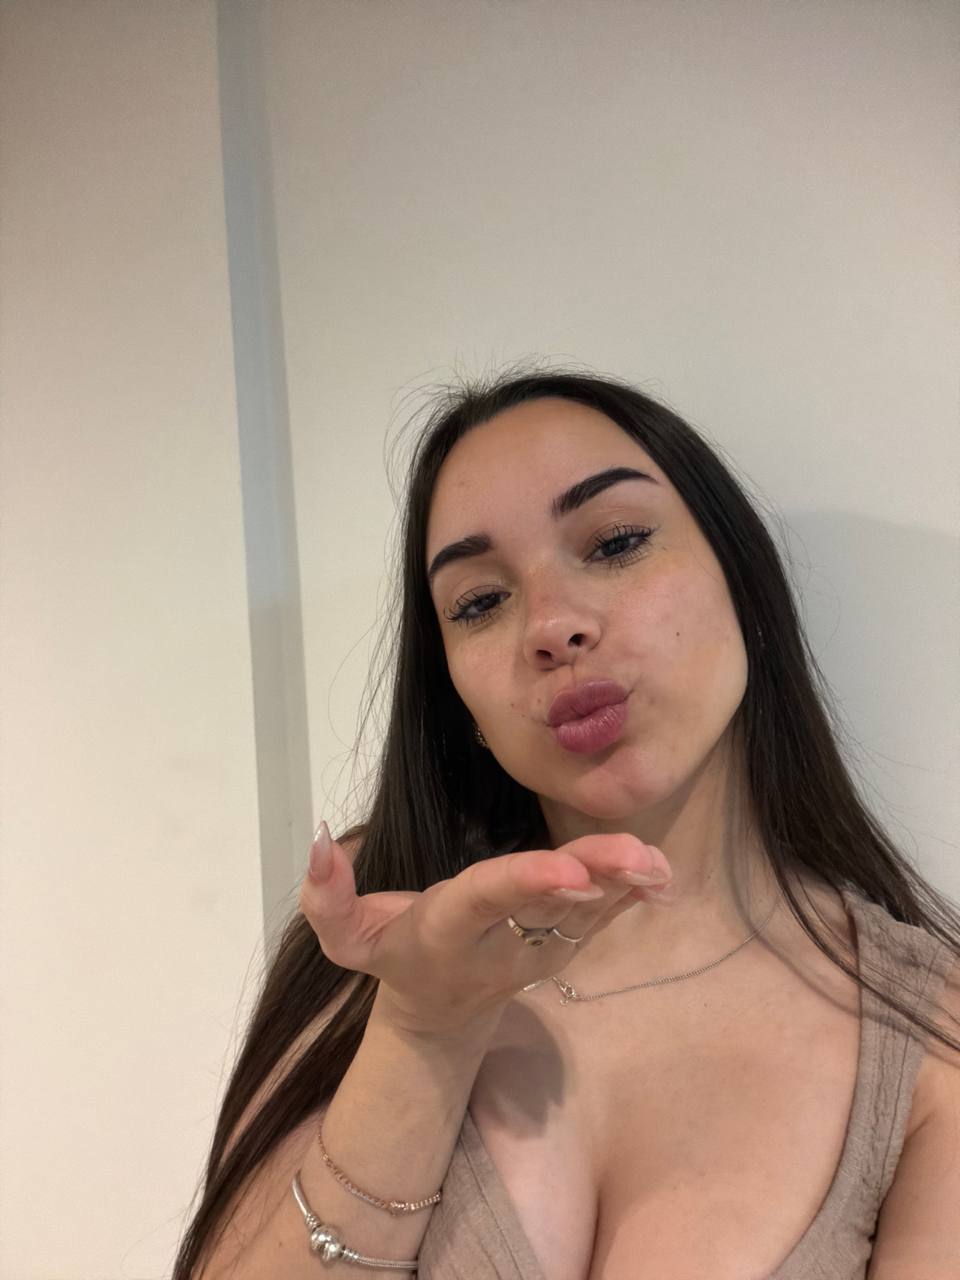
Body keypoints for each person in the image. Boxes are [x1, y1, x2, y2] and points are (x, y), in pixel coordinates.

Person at [173, 369, 960, 1280]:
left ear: (742, 581)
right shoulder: (381, 930)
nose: (550, 626)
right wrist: (424, 1031)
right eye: (479, 603)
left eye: (616, 542)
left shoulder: (922, 1032)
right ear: (457, 694)